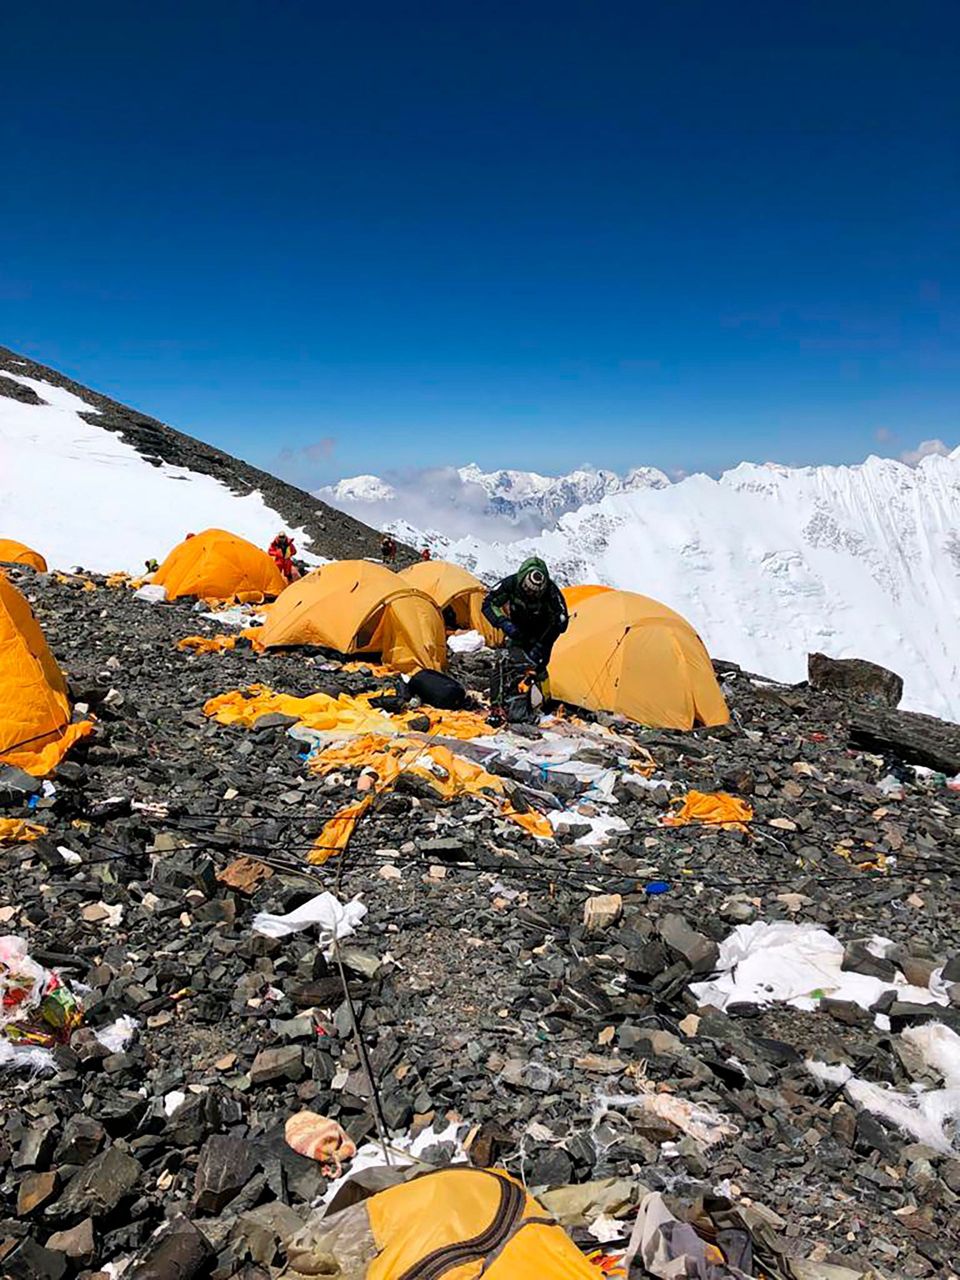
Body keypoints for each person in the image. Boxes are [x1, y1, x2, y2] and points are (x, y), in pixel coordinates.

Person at [482, 558, 568, 724]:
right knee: (505, 664)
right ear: (523, 581)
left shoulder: (552, 592)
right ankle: (498, 705)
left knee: (538, 667)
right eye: (527, 590)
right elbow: (488, 602)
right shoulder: (511, 583)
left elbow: (562, 622)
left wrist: (543, 644)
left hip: (542, 634)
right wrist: (503, 623)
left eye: (535, 593)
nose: (531, 595)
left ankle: (545, 704)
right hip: (517, 631)